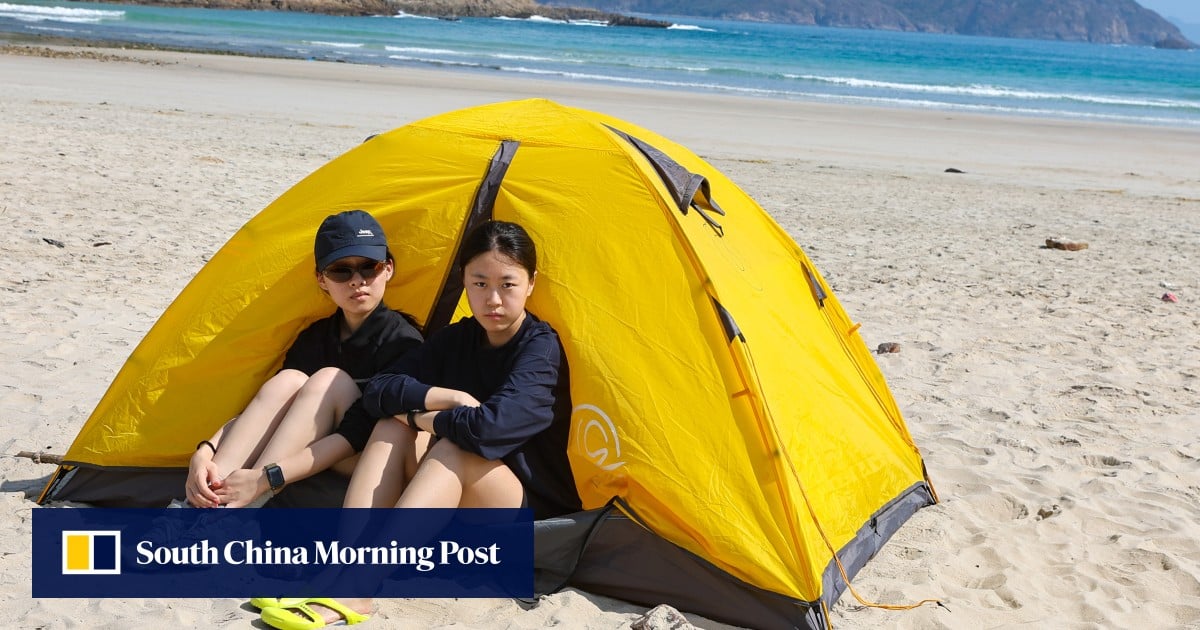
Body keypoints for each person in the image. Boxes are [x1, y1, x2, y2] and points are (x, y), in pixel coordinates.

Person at [259, 220, 581, 630]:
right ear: (464, 281)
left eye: (508, 284)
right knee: (392, 427)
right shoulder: (459, 337)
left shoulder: (539, 347)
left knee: (453, 447)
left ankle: (360, 588)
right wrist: (433, 406)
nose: (493, 299)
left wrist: (424, 417)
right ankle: (341, 568)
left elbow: (489, 428)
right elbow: (380, 389)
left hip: (520, 511)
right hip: (453, 497)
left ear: (531, 283)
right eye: (479, 284)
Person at [186, 210, 423, 509]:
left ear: (388, 269)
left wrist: (263, 477)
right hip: (317, 448)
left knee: (328, 380)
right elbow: (265, 413)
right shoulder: (316, 336)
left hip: (369, 454)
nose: (357, 281)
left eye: (369, 268)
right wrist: (205, 452)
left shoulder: (404, 342)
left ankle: (234, 512)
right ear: (321, 279)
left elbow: (359, 431)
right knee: (289, 380)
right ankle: (194, 509)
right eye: (341, 270)